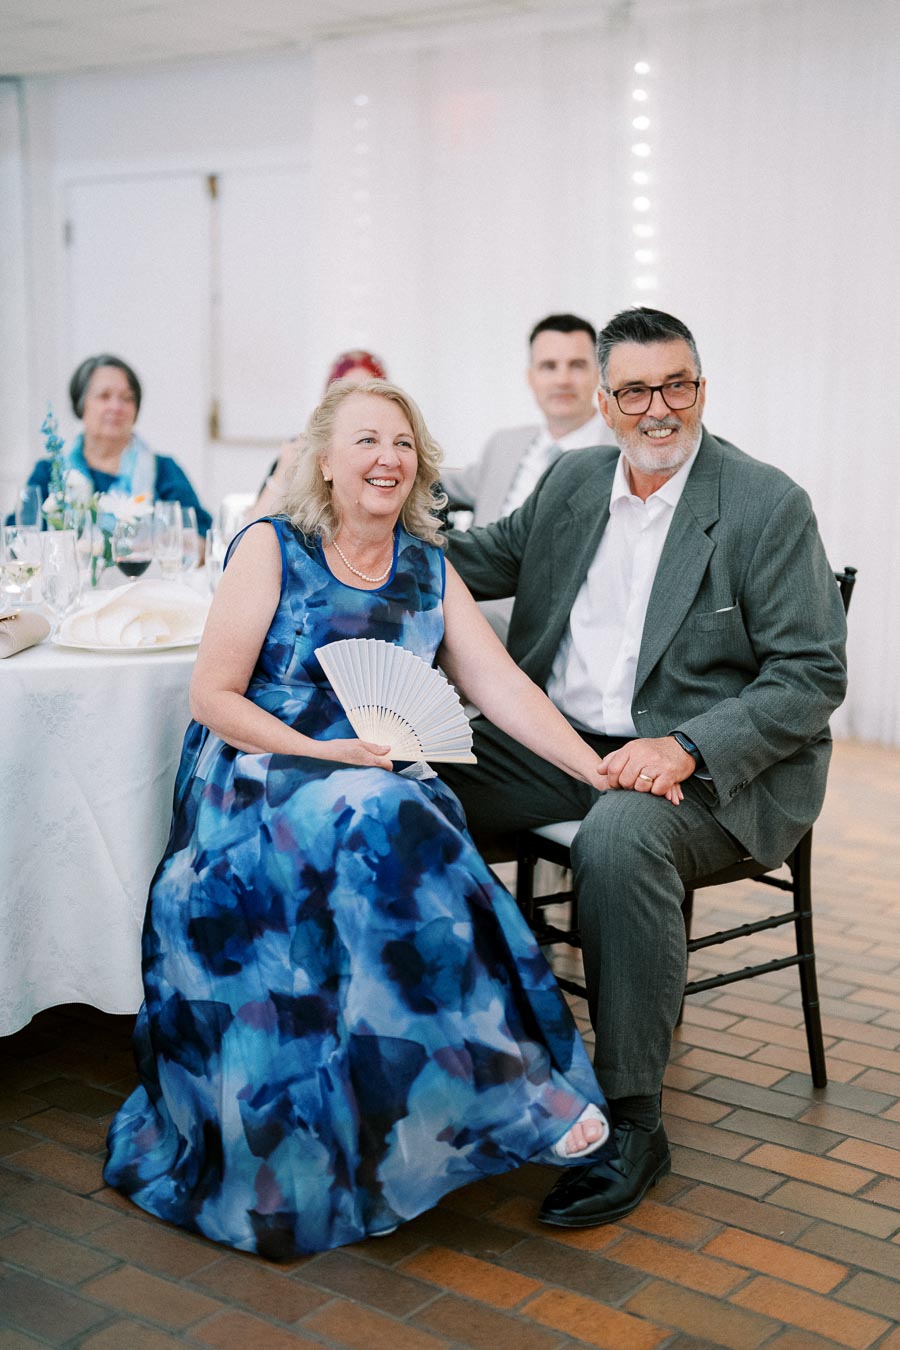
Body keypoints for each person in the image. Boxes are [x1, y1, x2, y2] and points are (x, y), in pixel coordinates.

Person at [104, 376, 622, 1260]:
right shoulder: (272, 547)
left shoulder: (428, 563)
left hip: (378, 781)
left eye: (403, 443)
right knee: (387, 819)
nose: (388, 459)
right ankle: (506, 1086)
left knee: (404, 821)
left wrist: (596, 767)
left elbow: (498, 685)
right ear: (325, 461)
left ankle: (463, 1087)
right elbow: (212, 697)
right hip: (260, 777)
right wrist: (324, 755)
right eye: (367, 442)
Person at [441, 307, 848, 1230]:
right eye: (634, 390)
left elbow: (813, 673)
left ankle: (635, 1123)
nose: (657, 408)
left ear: (701, 389)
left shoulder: (763, 503)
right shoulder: (575, 480)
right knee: (411, 786)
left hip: (712, 767)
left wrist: (686, 744)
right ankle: (458, 1048)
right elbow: (473, 559)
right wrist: (351, 522)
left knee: (620, 841)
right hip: (567, 742)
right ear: (604, 399)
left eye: (677, 386)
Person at [441, 314, 610, 638]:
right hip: (475, 606)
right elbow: (440, 482)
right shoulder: (506, 445)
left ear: (598, 374)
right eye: (549, 366)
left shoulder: (620, 453)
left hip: (569, 621)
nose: (562, 379)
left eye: (576, 365)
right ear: (531, 377)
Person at [9, 354, 211, 535]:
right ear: (81, 405)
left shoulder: (165, 470)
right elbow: (16, 536)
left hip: (145, 577)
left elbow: (203, 537)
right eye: (104, 396)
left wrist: (169, 543)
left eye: (127, 398)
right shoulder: (50, 474)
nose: (116, 407)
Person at [251, 349, 388, 520]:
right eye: (345, 392)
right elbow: (252, 528)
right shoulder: (298, 451)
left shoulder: (393, 458)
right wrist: (283, 471)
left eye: (368, 393)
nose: (357, 403)